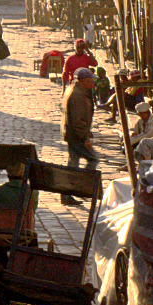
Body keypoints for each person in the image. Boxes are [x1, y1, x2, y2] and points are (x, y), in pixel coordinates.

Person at [60, 68, 99, 206]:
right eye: (90, 79)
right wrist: (85, 137)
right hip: (76, 136)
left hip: (73, 134)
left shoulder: (77, 91)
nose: (92, 82)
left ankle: (67, 195)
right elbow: (78, 120)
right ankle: (82, 188)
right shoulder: (78, 95)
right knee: (93, 159)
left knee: (73, 164)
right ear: (83, 81)